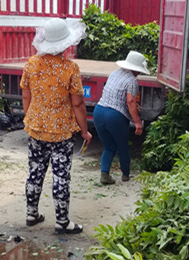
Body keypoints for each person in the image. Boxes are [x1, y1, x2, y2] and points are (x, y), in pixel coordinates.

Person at [20, 18, 92, 234]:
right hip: (62, 133)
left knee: (35, 172)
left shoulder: (31, 64)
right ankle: (62, 222)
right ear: (65, 43)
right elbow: (77, 103)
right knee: (61, 176)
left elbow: (25, 94)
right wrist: (85, 131)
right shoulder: (70, 69)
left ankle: (31, 214)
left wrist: (33, 117)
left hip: (36, 129)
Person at [92, 51, 150, 185]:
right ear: (136, 69)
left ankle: (104, 174)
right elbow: (130, 101)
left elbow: (113, 93)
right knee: (122, 145)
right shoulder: (132, 81)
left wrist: (133, 107)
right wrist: (137, 122)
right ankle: (125, 175)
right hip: (114, 117)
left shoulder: (114, 73)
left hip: (99, 111)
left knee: (109, 146)